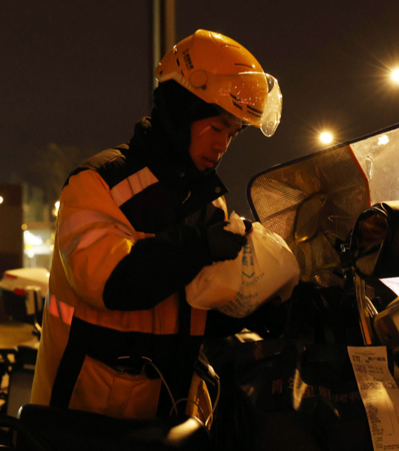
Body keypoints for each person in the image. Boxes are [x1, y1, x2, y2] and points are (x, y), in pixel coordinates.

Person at [31, 29, 282, 420]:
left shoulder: (208, 201)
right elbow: (113, 282)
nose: (222, 146)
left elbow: (200, 306)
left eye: (232, 135)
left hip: (171, 416)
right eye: (216, 128)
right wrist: (197, 247)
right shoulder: (98, 183)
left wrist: (266, 303)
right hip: (83, 416)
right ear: (180, 113)